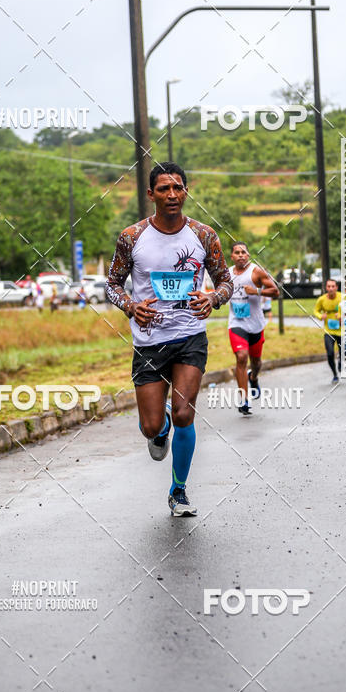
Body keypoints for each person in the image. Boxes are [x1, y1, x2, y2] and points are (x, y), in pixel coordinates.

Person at [105, 162, 232, 517]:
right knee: (151, 427)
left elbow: (226, 281)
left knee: (184, 413)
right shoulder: (132, 237)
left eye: (178, 187)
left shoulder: (204, 235)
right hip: (148, 341)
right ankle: (159, 428)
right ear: (151, 194)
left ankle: (179, 491)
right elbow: (111, 284)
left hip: (190, 336)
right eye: (164, 189)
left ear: (186, 191)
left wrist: (212, 298)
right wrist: (131, 306)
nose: (172, 195)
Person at [227, 242, 279, 415]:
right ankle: (244, 399)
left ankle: (253, 377)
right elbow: (220, 292)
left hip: (256, 325)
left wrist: (257, 291)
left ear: (248, 255)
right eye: (237, 252)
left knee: (256, 363)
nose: (241, 255)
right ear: (232, 256)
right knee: (241, 357)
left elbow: (275, 291)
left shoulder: (256, 271)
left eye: (244, 252)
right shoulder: (227, 274)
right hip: (236, 323)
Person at [314, 279, 343, 383]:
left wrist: (342, 315)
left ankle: (341, 362)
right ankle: (335, 374)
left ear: (336, 288)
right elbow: (316, 311)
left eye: (333, 286)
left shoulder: (342, 297)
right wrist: (320, 316)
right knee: (330, 353)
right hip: (329, 331)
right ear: (326, 288)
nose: (331, 288)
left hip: (342, 331)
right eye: (329, 286)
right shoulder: (321, 300)